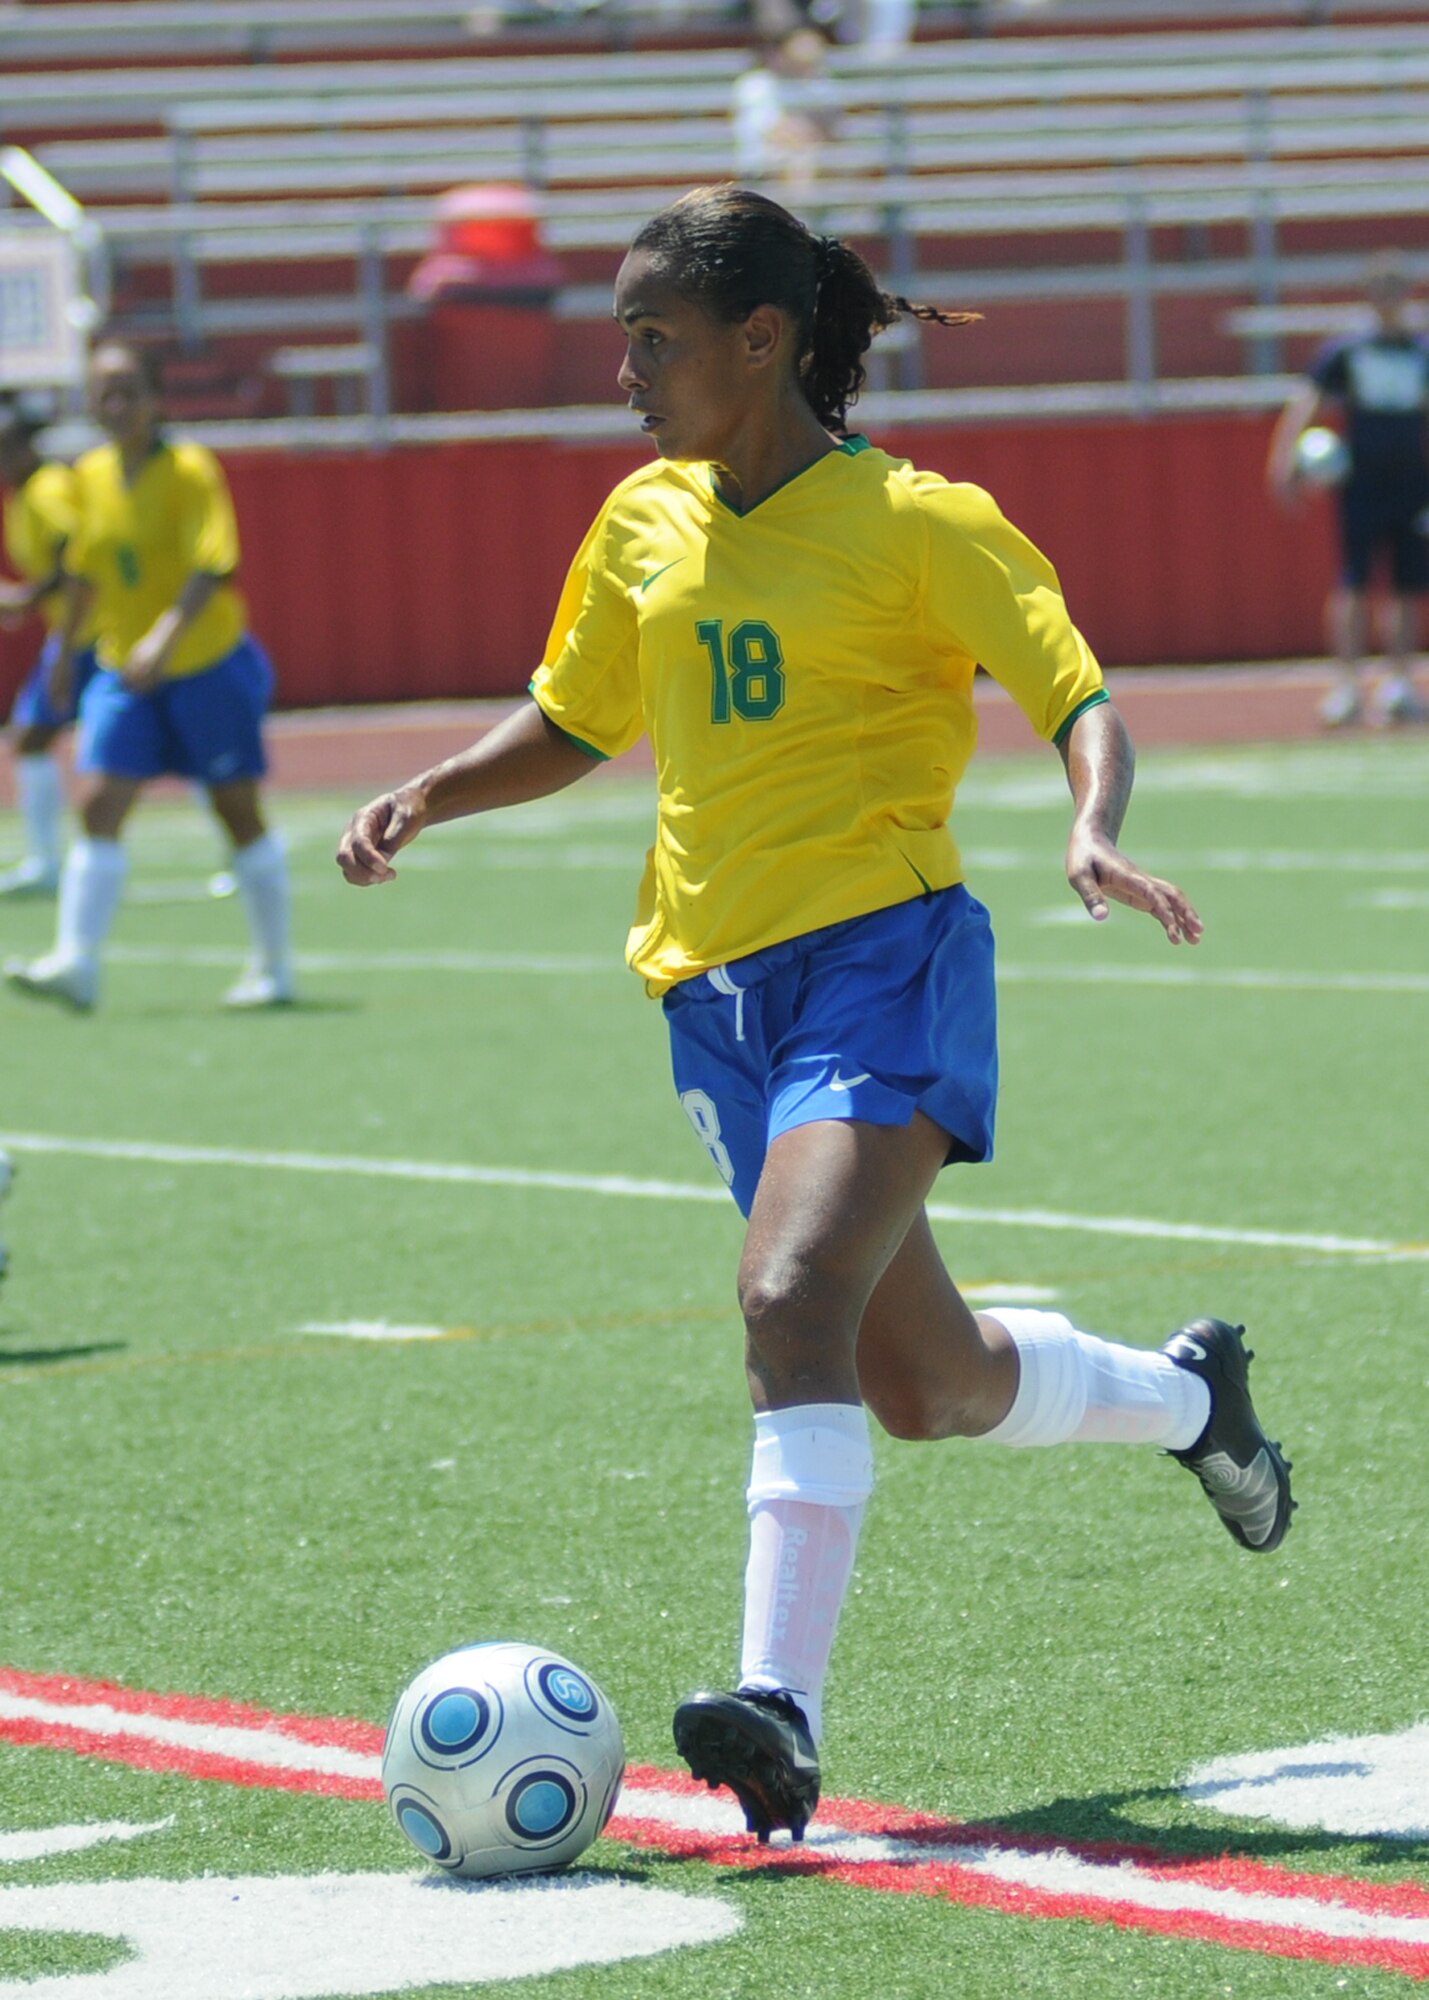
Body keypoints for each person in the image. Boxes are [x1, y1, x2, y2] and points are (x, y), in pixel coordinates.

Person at [337, 186, 1294, 1845]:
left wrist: (1090, 826)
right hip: (710, 1004)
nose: (626, 372)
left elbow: (1074, 692)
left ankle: (775, 1705)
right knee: (920, 1381)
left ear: (762, 339)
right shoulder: (639, 518)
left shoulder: (920, 523)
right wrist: (431, 792)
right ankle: (1190, 1400)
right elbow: (576, 719)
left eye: (655, 338)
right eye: (623, 338)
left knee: (786, 1300)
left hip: (881, 962)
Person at [4, 341, 294, 1011]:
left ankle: (274, 968)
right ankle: (77, 964)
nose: (115, 404)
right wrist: (62, 655)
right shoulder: (91, 474)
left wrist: (165, 639)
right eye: (103, 392)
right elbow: (84, 573)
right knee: (99, 804)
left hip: (203, 664)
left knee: (236, 810)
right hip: (122, 669)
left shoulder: (190, 469)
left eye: (128, 390)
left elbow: (214, 563)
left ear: (156, 398)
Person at [1268, 252, 1429, 728]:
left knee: (1407, 585)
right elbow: (1308, 402)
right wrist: (1285, 462)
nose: (1388, 300)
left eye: (1395, 290)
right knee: (1354, 582)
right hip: (1362, 482)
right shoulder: (1348, 351)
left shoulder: (1420, 350)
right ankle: (1347, 686)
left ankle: (1399, 683)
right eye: (1380, 291)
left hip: (1413, 481)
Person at [0, 396, 100, 898]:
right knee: (31, 737)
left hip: (96, 633)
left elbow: (77, 560)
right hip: (73, 633)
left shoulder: (47, 490)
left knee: (33, 736)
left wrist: (25, 598)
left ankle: (45, 864)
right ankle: (44, 862)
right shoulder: (21, 495)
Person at [731, 28, 841, 195]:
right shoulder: (757, 84)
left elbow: (832, 128)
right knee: (799, 160)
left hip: (816, 152)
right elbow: (772, 131)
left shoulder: (821, 83)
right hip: (764, 157)